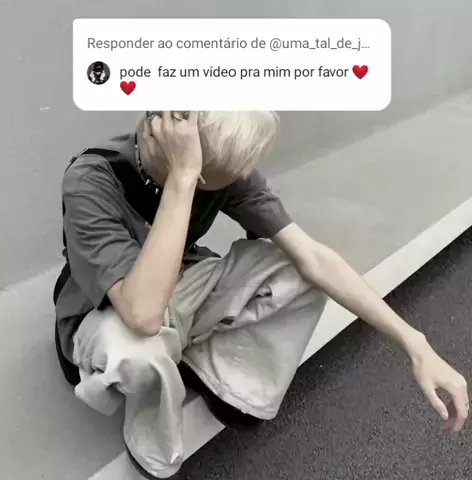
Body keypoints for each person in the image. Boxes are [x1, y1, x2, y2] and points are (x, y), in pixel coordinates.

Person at [54, 111, 468, 478]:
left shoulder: (222, 169)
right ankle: (152, 452)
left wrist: (415, 344)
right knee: (138, 352)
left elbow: (313, 259)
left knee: (299, 276)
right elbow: (142, 314)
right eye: (210, 177)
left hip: (181, 281)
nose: (237, 178)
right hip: (109, 314)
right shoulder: (90, 179)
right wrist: (183, 179)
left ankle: (219, 378)